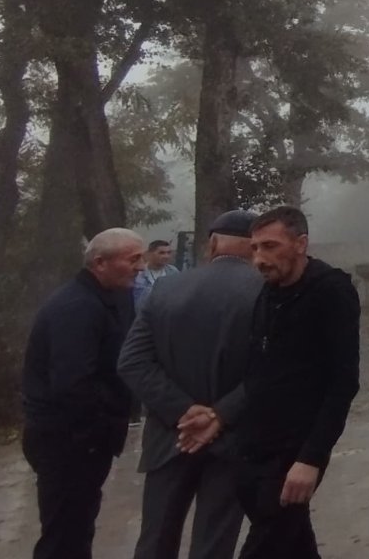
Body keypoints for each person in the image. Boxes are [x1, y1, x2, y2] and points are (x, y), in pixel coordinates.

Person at [177, 206, 358, 559]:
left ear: (301, 243)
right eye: (255, 247)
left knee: (265, 545)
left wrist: (312, 458)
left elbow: (343, 383)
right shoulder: (268, 292)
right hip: (253, 450)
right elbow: (260, 374)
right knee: (295, 547)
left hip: (294, 456)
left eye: (271, 246)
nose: (259, 258)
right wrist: (219, 417)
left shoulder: (330, 291)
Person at [118, 211, 264, 559]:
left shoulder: (166, 288)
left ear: (212, 243)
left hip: (171, 436)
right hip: (233, 440)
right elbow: (273, 372)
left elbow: (132, 362)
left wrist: (183, 411)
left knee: (155, 540)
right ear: (255, 247)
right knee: (214, 544)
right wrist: (219, 415)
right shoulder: (267, 294)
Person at [21, 228, 146, 559]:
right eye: (133, 259)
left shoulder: (108, 299)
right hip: (67, 440)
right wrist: (107, 422)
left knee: (77, 527)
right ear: (100, 263)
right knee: (63, 534)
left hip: (84, 439)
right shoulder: (76, 307)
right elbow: (72, 384)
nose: (141, 267)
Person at [134, 240, 180, 312]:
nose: (166, 256)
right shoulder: (139, 273)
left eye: (169, 253)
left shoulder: (173, 272)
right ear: (150, 254)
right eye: (161, 253)